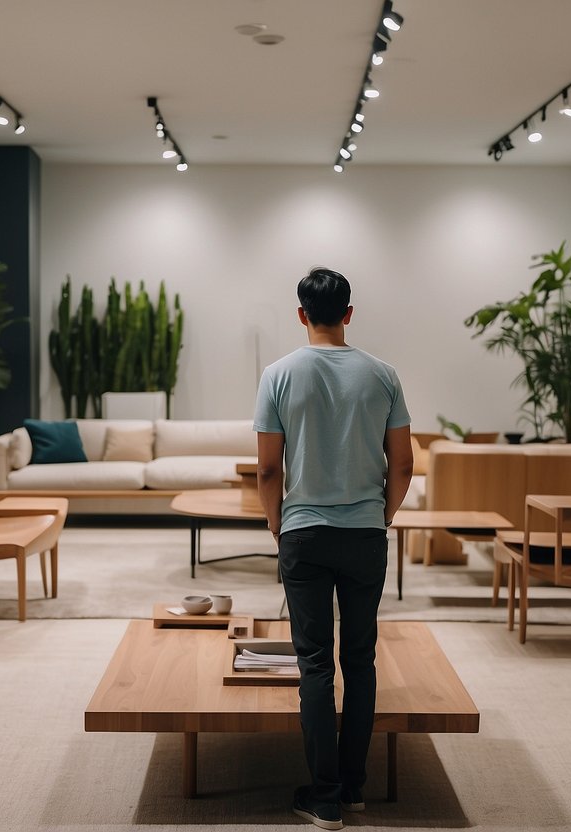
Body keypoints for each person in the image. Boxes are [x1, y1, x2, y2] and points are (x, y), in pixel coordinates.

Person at [253, 267, 413, 830]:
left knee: (314, 663)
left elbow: (268, 469)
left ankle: (324, 798)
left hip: (304, 533)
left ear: (301, 314)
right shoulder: (383, 375)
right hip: (365, 534)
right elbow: (403, 464)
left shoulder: (277, 374)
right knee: (360, 659)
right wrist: (382, 516)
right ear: (349, 314)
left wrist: (278, 526)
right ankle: (355, 786)